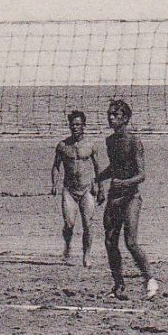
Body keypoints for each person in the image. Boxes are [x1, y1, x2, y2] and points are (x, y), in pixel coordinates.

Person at [94, 99, 159, 300]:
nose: (111, 117)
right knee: (110, 241)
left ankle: (150, 279)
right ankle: (118, 285)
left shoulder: (134, 141)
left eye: (115, 114)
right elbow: (114, 167)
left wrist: (125, 182)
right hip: (115, 196)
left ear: (126, 118)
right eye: (109, 114)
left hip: (131, 196)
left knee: (130, 241)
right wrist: (97, 179)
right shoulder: (110, 141)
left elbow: (141, 175)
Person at [50, 110, 104, 265]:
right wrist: (55, 183)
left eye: (78, 124)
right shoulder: (63, 146)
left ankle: (86, 255)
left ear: (84, 126)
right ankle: (67, 245)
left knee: (88, 224)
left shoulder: (91, 145)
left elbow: (98, 167)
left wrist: (101, 189)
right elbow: (56, 166)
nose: (75, 127)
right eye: (72, 124)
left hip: (87, 189)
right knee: (69, 224)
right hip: (69, 190)